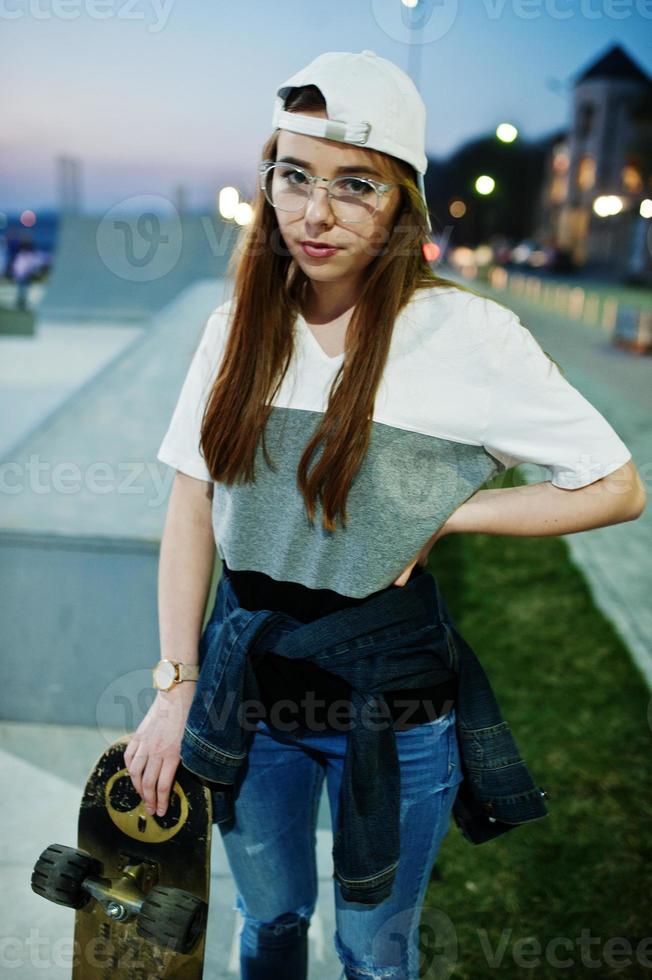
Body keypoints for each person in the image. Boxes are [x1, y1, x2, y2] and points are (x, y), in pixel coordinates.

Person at [125, 50, 645, 979]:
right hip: (253, 696)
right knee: (270, 919)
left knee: (373, 953)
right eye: (293, 176)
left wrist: (450, 516)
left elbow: (614, 483)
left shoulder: (468, 337)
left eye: (353, 185)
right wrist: (175, 687)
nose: (314, 214)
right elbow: (193, 500)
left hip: (394, 706)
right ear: (269, 178)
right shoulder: (236, 326)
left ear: (401, 199)